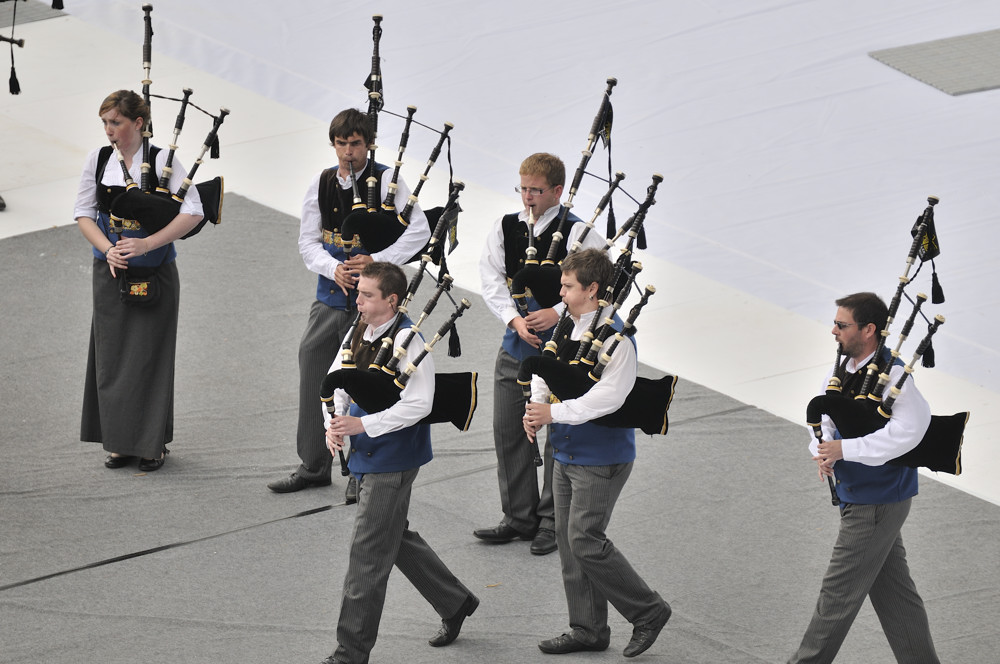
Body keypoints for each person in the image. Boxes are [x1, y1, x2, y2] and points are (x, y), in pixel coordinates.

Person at [267, 108, 430, 502]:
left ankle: (360, 471)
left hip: (373, 307)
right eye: (341, 144)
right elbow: (308, 242)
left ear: (368, 144)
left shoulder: (388, 180)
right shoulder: (322, 182)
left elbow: (420, 231)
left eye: (355, 144)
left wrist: (377, 260)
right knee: (315, 373)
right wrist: (333, 268)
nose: (348, 152)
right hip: (330, 297)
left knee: (367, 383)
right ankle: (313, 464)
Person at [321, 262, 478, 663]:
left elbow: (419, 404)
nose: (357, 300)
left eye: (367, 295)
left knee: (367, 556)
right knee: (391, 534)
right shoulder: (360, 328)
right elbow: (337, 378)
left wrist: (362, 424)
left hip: (393, 458)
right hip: (366, 450)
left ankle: (350, 653)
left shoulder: (410, 339)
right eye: (358, 293)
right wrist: (334, 422)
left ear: (392, 300)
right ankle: (454, 601)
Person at [523, 248, 672, 658]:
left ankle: (648, 611)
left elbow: (608, 398)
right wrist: (536, 407)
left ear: (592, 289)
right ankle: (588, 628)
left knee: (585, 539)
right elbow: (546, 368)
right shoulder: (567, 324)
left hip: (601, 458)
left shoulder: (618, 338)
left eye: (567, 286)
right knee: (569, 542)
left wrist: (553, 413)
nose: (560, 293)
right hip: (566, 451)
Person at [788, 292, 939, 663]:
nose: (834, 331)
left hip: (877, 500)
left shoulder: (894, 375)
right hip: (862, 496)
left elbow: (910, 431)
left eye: (842, 325)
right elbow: (825, 413)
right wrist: (822, 448)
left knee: (836, 595)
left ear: (869, 330)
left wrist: (846, 450)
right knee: (895, 596)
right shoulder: (846, 366)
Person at [476, 152, 607, 556]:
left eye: (536, 190)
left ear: (557, 191)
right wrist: (514, 319)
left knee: (557, 432)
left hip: (565, 351)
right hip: (518, 344)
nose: (527, 197)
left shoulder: (579, 232)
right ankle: (519, 516)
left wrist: (557, 311)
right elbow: (491, 278)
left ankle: (552, 521)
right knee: (508, 429)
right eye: (523, 188)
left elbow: (602, 289)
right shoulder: (506, 226)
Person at [73, 89, 204, 472]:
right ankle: (119, 443)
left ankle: (151, 445)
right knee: (112, 358)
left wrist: (148, 242)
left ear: (138, 123)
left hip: (155, 271)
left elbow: (194, 211)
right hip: (110, 273)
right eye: (105, 123)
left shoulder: (162, 160)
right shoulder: (99, 159)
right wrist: (107, 248)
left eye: (116, 122)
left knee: (150, 358)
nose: (109, 130)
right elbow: (83, 213)